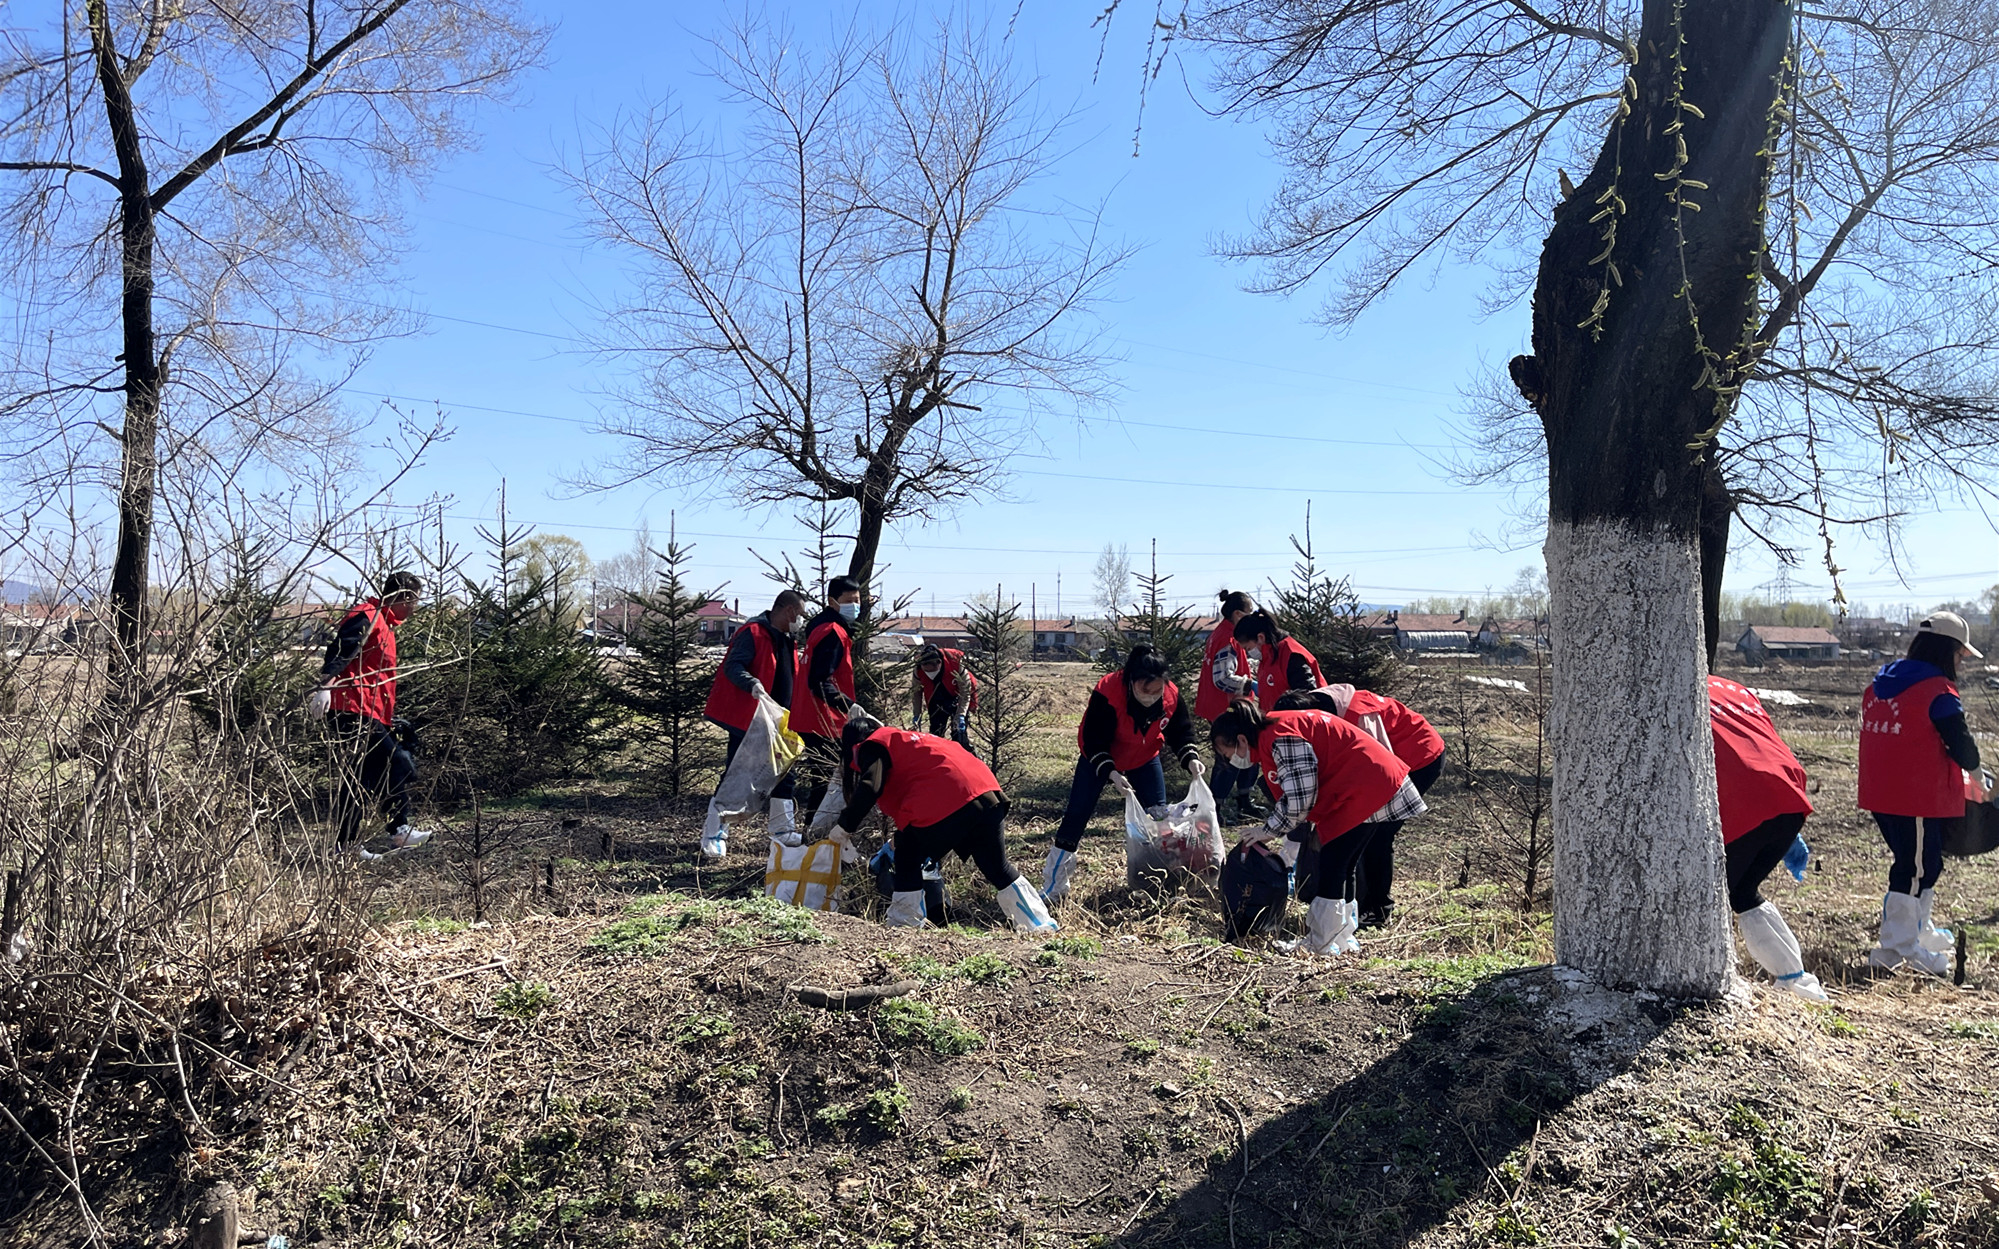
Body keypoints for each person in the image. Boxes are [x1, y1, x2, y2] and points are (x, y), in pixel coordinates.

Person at [1210, 699, 1425, 955]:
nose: (1231, 760)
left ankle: (1322, 943)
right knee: (1343, 865)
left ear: (1242, 740)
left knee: (1333, 864)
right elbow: (1296, 792)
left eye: (1227, 753)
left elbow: (1301, 798)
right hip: (1370, 783)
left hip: (1365, 787)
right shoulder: (1279, 729)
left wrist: (1268, 831)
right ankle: (1342, 938)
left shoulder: (1281, 737)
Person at [822, 709, 1058, 933]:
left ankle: (905, 925)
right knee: (996, 865)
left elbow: (870, 786)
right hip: (987, 793)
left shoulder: (872, 744)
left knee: (908, 854)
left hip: (951, 799)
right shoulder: (912, 740)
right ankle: (1038, 924)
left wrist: (844, 828)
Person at [1858, 611, 1986, 975]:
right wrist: (1978, 777)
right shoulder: (1938, 690)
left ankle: (1918, 930)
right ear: (1948, 650)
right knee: (1914, 868)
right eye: (1960, 655)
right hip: (1910, 794)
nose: (1961, 662)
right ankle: (1898, 949)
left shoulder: (1883, 681)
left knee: (1926, 862)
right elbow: (1959, 741)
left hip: (1881, 790)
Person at [1041, 645, 1205, 904]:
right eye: (1145, 689)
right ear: (1131, 681)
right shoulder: (1108, 692)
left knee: (1158, 820)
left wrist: (1191, 759)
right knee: (1076, 815)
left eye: (1157, 689)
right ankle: (1054, 886)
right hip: (1099, 760)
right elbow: (1092, 740)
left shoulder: (1171, 695)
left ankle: (1159, 884)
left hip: (1144, 759)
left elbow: (1181, 732)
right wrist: (1112, 773)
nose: (1151, 695)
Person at [1274, 683, 1445, 927]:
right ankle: (1353, 903)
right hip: (1393, 761)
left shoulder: (1359, 718)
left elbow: (1380, 772)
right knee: (1357, 832)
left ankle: (1377, 908)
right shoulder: (1320, 705)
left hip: (1420, 758)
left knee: (1376, 835)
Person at [1709, 676, 1828, 1001]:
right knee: (1742, 893)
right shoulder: (1734, 689)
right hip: (1787, 795)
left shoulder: (1665, 684)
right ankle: (1796, 980)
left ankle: (1707, 983)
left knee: (1708, 897)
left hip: (1745, 804)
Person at [310, 571, 432, 858]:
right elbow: (341, 651)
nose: (414, 608)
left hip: (372, 712)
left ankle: (368, 839)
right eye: (414, 601)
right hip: (352, 710)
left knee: (367, 775)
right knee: (392, 764)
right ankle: (386, 833)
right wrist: (325, 687)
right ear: (402, 597)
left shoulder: (386, 626)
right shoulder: (368, 617)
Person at [699, 590, 805, 856]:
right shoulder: (753, 632)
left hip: (781, 720)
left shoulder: (786, 638)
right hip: (751, 719)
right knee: (738, 774)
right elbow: (733, 666)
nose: (801, 620)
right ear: (789, 610)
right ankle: (714, 832)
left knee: (785, 773)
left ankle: (782, 830)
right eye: (800, 614)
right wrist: (753, 684)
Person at [791, 577, 864, 821]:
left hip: (812, 717)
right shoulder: (833, 632)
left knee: (822, 778)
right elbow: (819, 681)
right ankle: (814, 834)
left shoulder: (820, 628)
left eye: (858, 600)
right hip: (823, 720)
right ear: (832, 601)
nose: (855, 605)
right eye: (849, 601)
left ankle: (815, 834)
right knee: (825, 781)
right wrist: (849, 705)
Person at [1199, 590, 1267, 824]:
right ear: (1238, 614)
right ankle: (1214, 809)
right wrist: (1251, 685)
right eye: (1248, 614)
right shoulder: (1228, 640)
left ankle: (1243, 801)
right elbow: (1222, 678)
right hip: (1226, 708)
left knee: (1248, 752)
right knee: (1229, 758)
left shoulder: (1221, 633)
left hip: (1226, 705)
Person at [1233, 611, 1325, 713]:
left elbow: (1307, 697)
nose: (1248, 653)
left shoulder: (1292, 655)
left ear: (1260, 638)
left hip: (1295, 722)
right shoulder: (1268, 656)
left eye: (1248, 648)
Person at [910, 643, 977, 748]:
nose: (929, 674)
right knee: (936, 735)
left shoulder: (955, 662)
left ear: (939, 663)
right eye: (926, 670)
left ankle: (966, 755)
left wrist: (961, 715)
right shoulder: (918, 670)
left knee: (959, 736)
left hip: (957, 695)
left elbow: (965, 691)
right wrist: (917, 715)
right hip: (935, 697)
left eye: (932, 670)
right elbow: (916, 693)